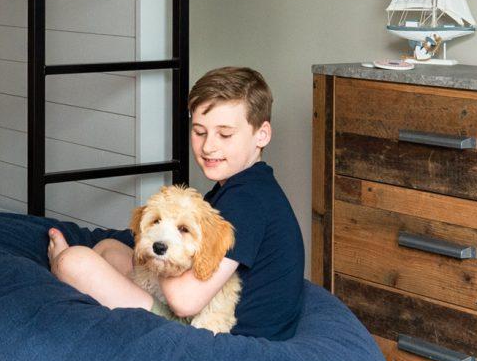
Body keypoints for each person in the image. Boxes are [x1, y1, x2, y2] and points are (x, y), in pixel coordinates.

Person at [46, 66, 307, 340]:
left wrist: (158, 254)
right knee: (110, 249)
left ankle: (61, 271)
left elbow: (185, 301)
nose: (208, 146)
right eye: (199, 131)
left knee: (73, 261)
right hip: (201, 314)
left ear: (262, 135)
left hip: (219, 336)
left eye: (225, 134)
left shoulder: (247, 202)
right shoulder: (247, 187)